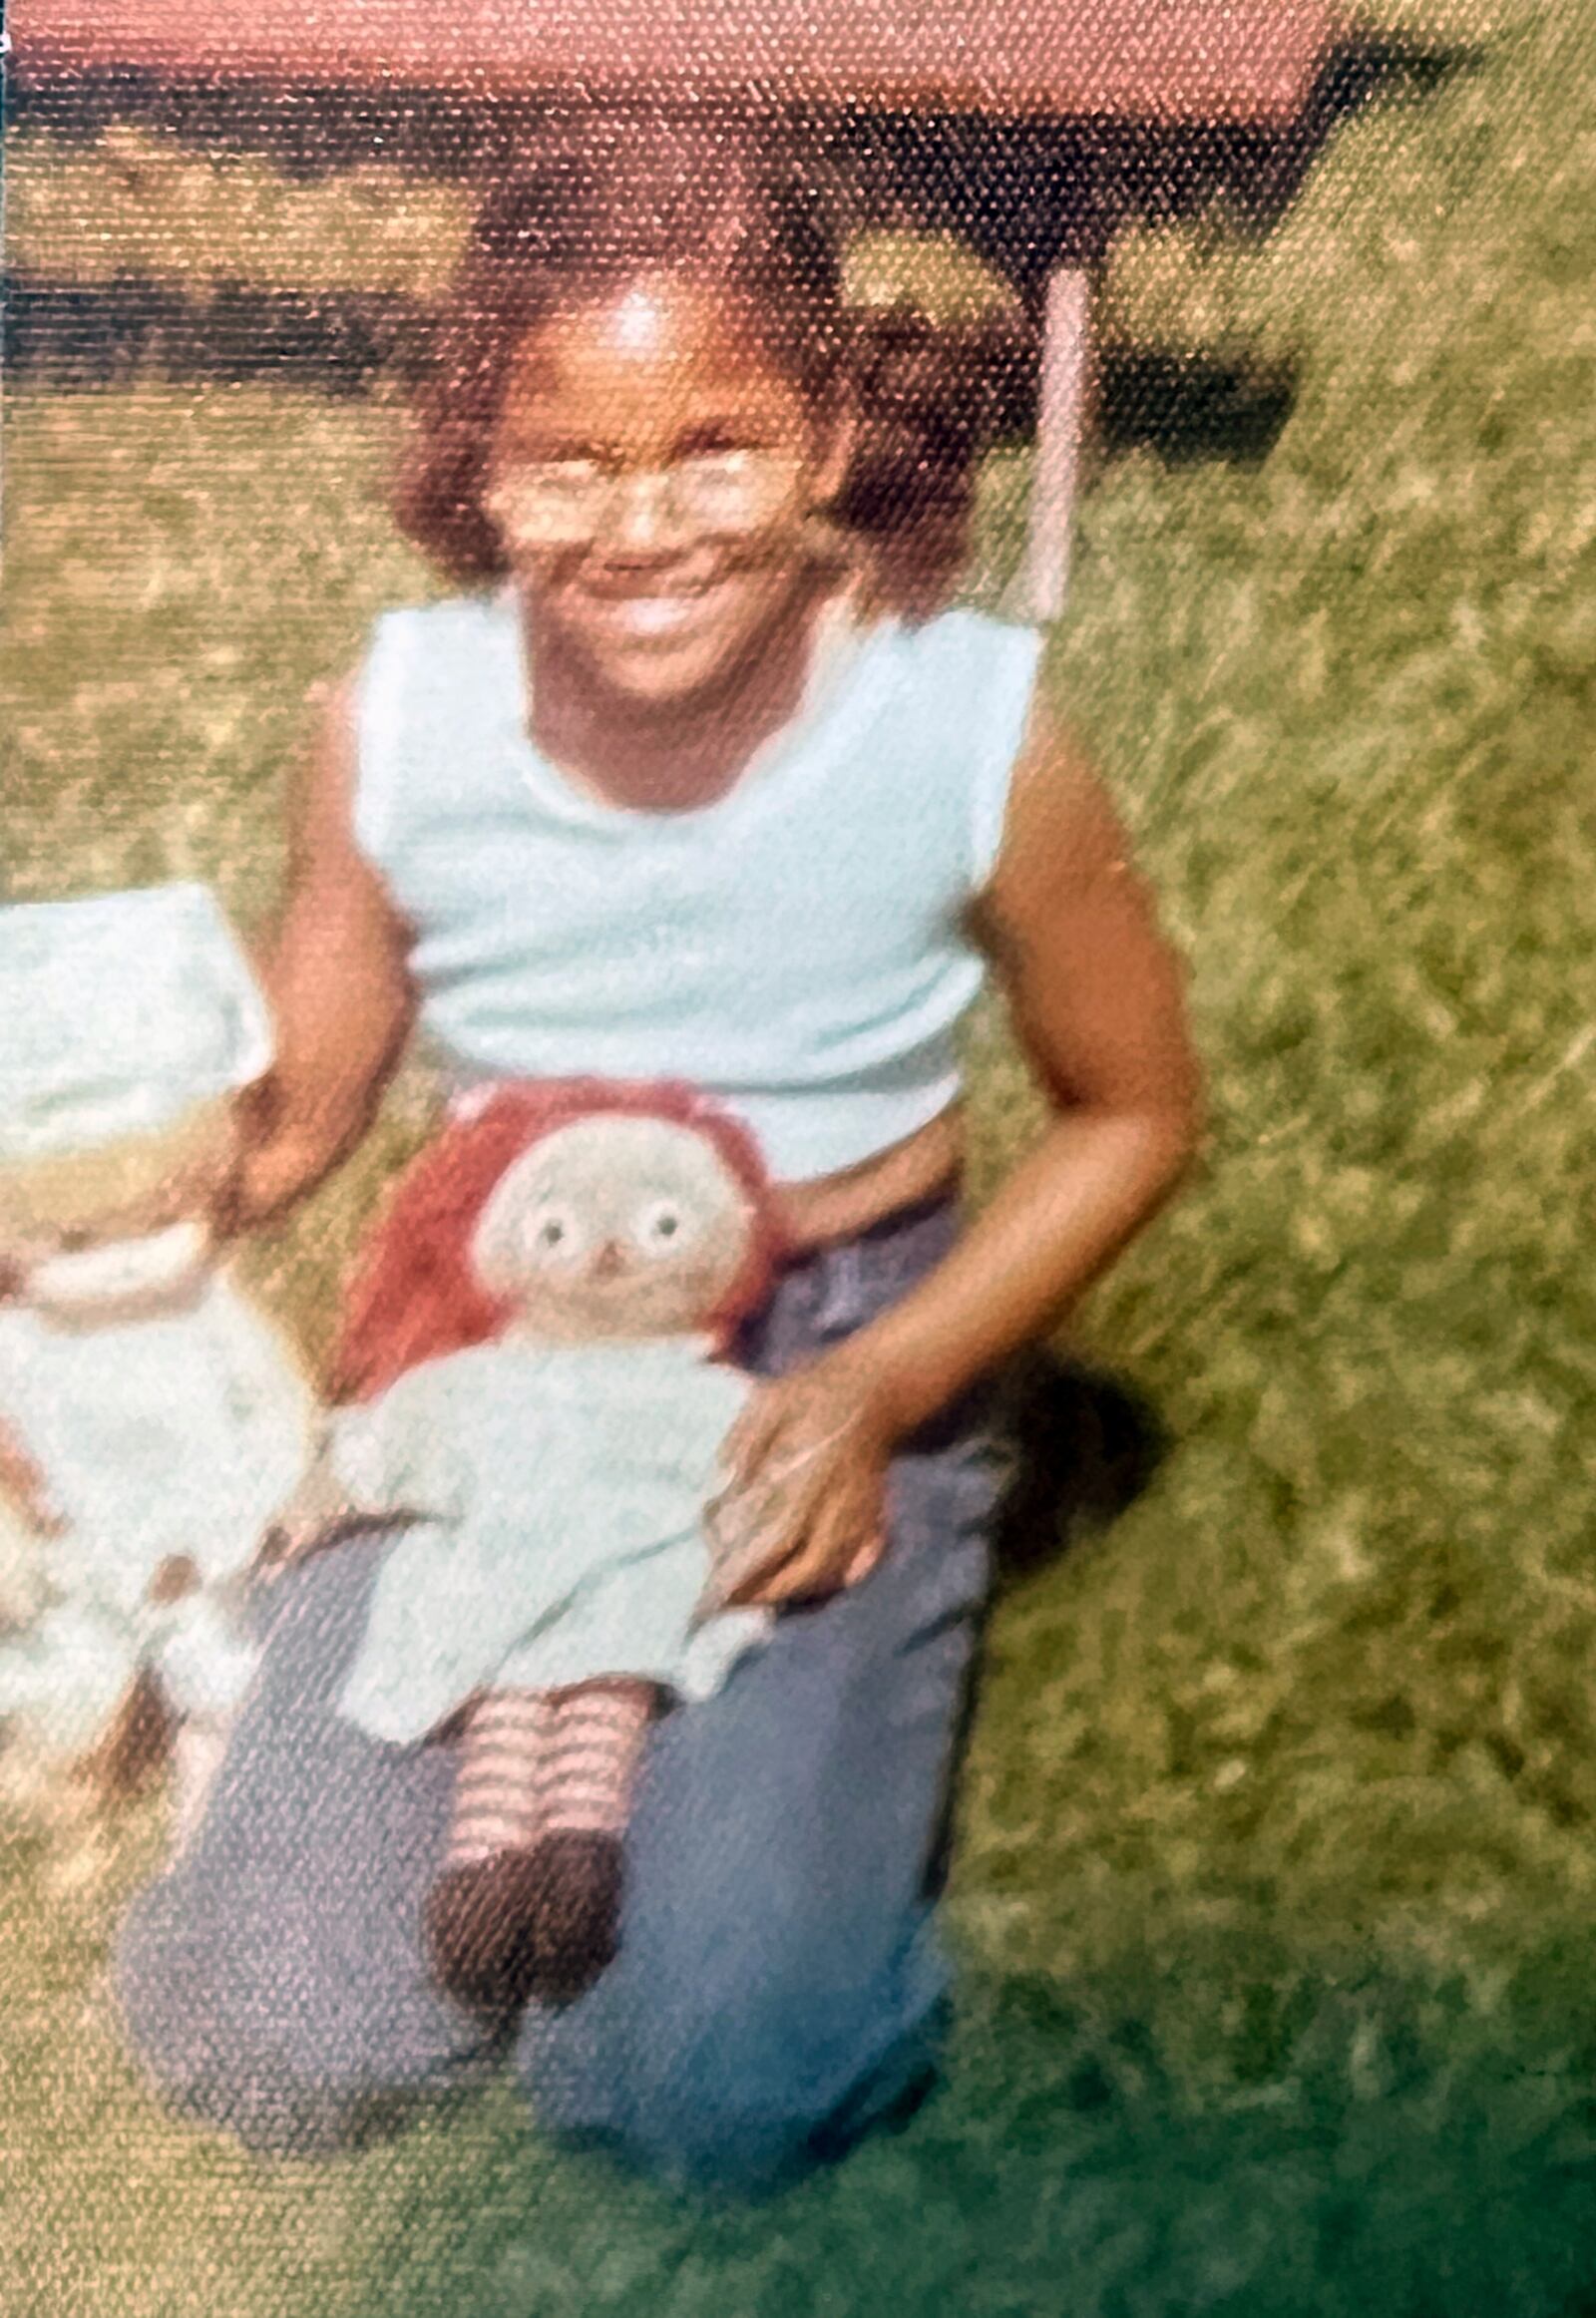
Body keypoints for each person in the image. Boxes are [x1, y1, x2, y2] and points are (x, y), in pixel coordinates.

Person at [103, 108, 1202, 2197]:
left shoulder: (966, 731)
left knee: (710, 2083)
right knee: (274, 2034)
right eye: (564, 464)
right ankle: (314, 1757)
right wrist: (77, 1187)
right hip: (483, 1350)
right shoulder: (398, 723)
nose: (639, 529)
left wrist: (880, 1388)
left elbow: (1133, 1110)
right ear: (476, 456)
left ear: (822, 437)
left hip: (821, 1347)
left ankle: (710, 1799)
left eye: (715, 446)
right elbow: (301, 1118)